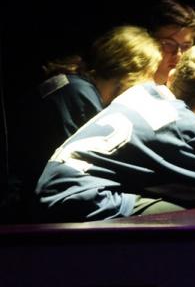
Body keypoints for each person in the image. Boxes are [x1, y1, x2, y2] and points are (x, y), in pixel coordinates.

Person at [35, 43, 195, 222]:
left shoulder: (138, 92)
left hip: (49, 189)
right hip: (81, 198)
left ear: (172, 75)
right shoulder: (184, 125)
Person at [20, 26, 161, 213]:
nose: (148, 85)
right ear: (130, 72)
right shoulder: (80, 95)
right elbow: (94, 170)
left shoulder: (75, 84)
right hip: (42, 210)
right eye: (148, 76)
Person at [147, 0, 195, 85]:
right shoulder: (131, 88)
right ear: (149, 41)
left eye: (186, 46)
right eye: (169, 44)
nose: (178, 54)